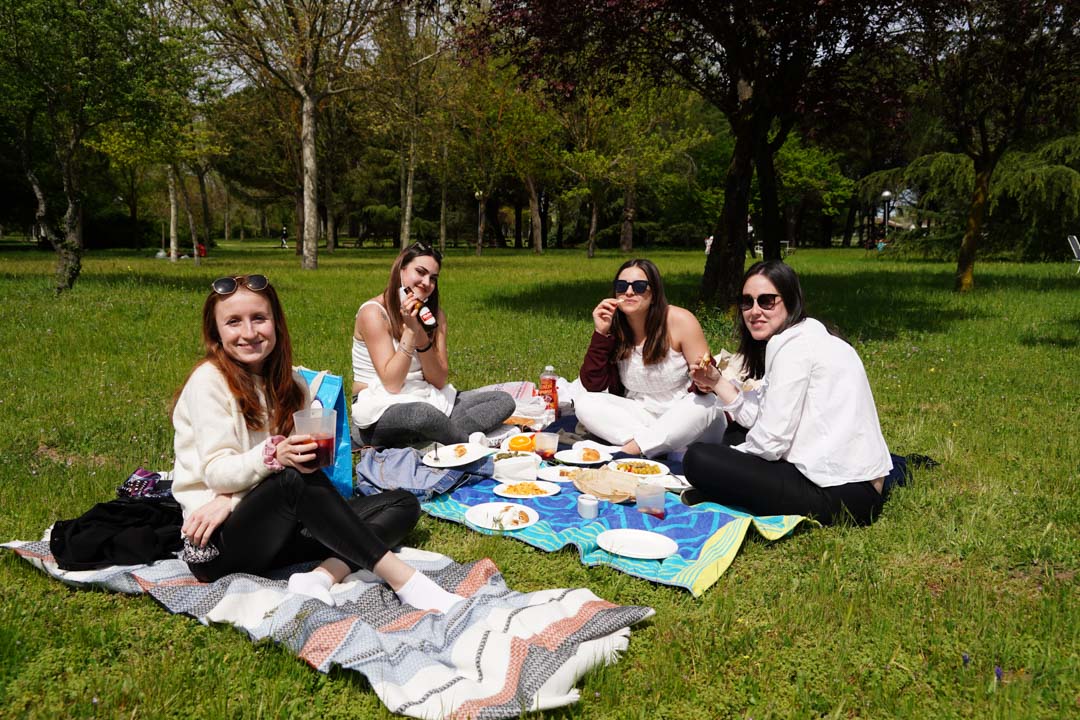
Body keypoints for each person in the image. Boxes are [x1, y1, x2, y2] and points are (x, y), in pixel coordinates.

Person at [172, 273, 463, 612]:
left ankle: (320, 577)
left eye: (259, 318)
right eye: (233, 322)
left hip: (281, 528)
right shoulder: (208, 381)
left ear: (276, 323)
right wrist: (244, 489)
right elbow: (217, 474)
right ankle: (406, 581)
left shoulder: (293, 384)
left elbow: (294, 470)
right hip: (217, 545)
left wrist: (291, 464)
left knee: (402, 504)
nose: (249, 332)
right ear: (216, 333)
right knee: (292, 478)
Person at [682, 260, 892, 525]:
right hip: (850, 482)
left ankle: (723, 489)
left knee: (699, 459)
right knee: (735, 434)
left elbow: (771, 442)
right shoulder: (809, 333)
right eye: (747, 302)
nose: (754, 311)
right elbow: (762, 416)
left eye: (767, 301)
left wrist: (731, 462)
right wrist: (716, 381)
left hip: (843, 495)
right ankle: (727, 487)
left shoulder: (793, 348)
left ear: (790, 301)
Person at [351, 242, 514, 447]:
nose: (426, 282)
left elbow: (437, 380)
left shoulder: (435, 315)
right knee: (422, 416)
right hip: (378, 407)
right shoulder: (373, 313)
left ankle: (430, 437)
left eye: (433, 278)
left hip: (425, 394)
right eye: (420, 272)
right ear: (401, 269)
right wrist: (410, 331)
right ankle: (470, 444)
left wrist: (421, 335)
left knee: (502, 401)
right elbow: (392, 384)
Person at [574, 258, 727, 457]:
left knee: (705, 405)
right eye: (621, 286)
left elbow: (707, 385)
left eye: (639, 287)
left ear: (653, 293)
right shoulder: (615, 326)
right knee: (585, 403)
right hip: (643, 417)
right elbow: (593, 384)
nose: (629, 292)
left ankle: (627, 452)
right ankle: (658, 446)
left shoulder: (679, 320)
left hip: (687, 419)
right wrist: (601, 334)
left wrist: (703, 379)